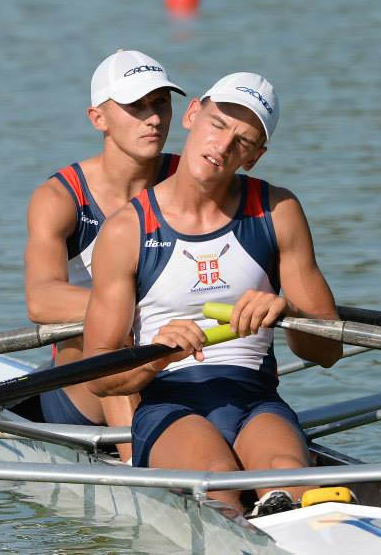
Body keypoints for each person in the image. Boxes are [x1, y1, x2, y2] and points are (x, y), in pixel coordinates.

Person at [82, 72, 343, 514]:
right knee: (218, 482)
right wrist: (157, 356)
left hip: (255, 400)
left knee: (288, 474)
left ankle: (292, 512)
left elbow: (328, 351)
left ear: (255, 157)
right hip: (168, 404)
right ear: (192, 114)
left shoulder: (278, 211)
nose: (222, 147)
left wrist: (288, 313)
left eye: (242, 141)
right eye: (217, 124)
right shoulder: (127, 229)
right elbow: (100, 376)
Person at [23, 50, 185, 462]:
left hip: (173, 359)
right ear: (98, 118)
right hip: (84, 390)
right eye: (136, 106)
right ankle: (137, 463)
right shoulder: (60, 197)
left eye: (161, 103)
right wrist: (138, 308)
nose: (153, 118)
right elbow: (40, 299)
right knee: (111, 329)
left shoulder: (190, 181)